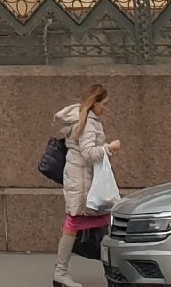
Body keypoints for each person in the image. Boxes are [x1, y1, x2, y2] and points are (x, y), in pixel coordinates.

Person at [53, 84, 121, 287]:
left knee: (90, 224)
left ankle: (62, 273)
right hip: (83, 181)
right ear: (95, 102)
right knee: (88, 223)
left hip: (80, 179)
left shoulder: (82, 118)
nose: (105, 109)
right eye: (104, 104)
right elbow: (89, 153)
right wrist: (110, 148)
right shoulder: (89, 123)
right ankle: (114, 274)